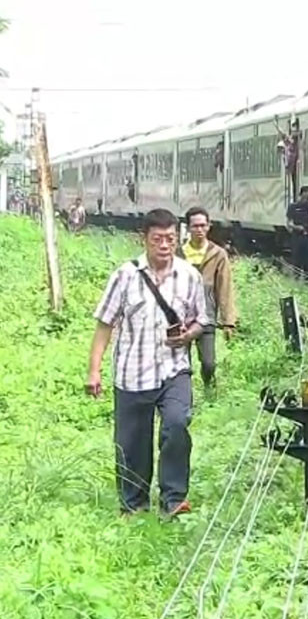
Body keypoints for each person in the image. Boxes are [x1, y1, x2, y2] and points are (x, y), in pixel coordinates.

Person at [86, 208, 210, 517]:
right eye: (158, 239)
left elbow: (201, 321)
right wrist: (94, 370)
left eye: (170, 238)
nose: (165, 245)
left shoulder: (189, 276)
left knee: (177, 425)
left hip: (174, 369)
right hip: (132, 373)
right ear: (145, 239)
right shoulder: (125, 275)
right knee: (132, 443)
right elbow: (105, 324)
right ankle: (134, 503)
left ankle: (174, 498)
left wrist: (188, 336)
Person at [181, 206, 237, 389]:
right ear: (188, 228)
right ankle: (183, 393)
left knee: (209, 362)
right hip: (181, 318)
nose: (199, 230)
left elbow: (225, 288)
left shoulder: (218, 254)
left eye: (203, 226)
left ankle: (208, 386)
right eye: (195, 226)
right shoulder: (177, 254)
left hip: (207, 316)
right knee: (182, 364)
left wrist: (228, 321)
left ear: (209, 226)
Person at [286, 185, 308, 276]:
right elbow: (289, 223)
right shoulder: (293, 207)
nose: (306, 199)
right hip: (297, 236)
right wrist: (296, 227)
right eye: (305, 197)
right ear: (301, 195)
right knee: (297, 259)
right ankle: (296, 277)